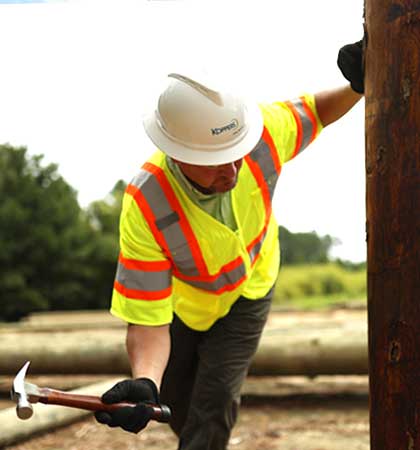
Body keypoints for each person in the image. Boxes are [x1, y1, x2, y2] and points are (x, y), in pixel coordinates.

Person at [94, 41, 364, 449]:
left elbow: (316, 111)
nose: (234, 168)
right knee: (174, 403)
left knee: (216, 398)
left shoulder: (258, 132)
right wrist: (146, 380)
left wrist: (358, 85)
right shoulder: (147, 202)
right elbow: (148, 318)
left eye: (235, 153)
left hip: (251, 288)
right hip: (186, 305)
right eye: (216, 160)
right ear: (177, 154)